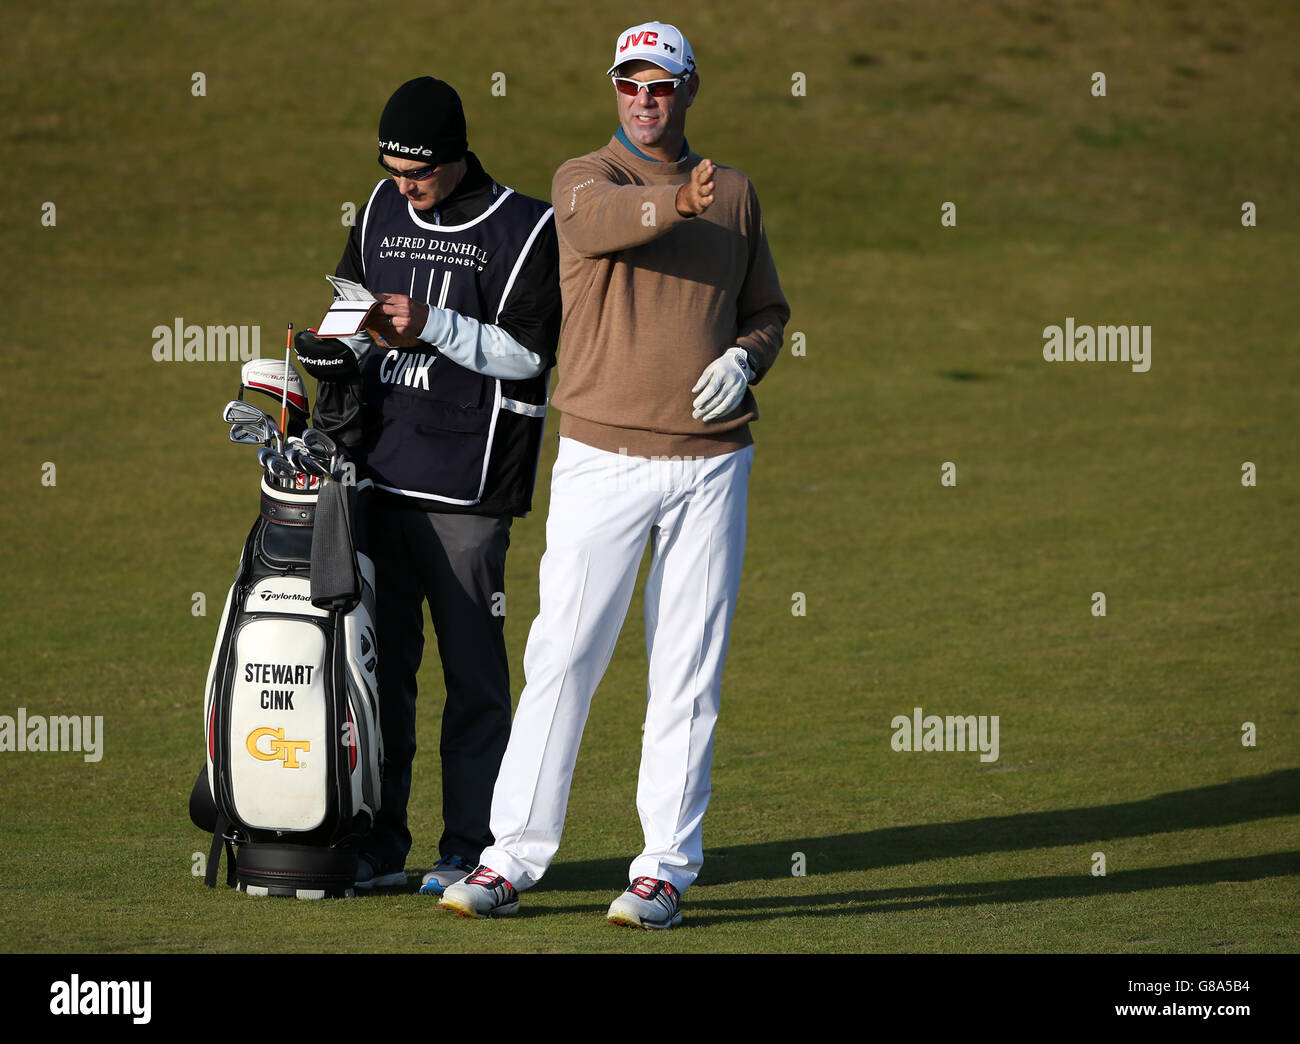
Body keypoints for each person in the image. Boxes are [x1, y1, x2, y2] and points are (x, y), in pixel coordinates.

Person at [439, 22, 789, 928]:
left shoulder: (738, 196)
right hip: (602, 457)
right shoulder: (584, 180)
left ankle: (663, 871)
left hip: (711, 466)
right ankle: (511, 859)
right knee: (565, 656)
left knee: (688, 671)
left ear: (689, 89)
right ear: (616, 92)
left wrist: (748, 359)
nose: (644, 99)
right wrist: (677, 204)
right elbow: (596, 229)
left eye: (661, 85)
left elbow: (767, 310)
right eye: (631, 84)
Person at [293, 76, 560, 894]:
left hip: (468, 490)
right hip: (377, 473)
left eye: (418, 172)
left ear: (455, 158)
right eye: (393, 168)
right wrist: (335, 348)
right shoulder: (379, 209)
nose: (404, 186)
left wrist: (432, 325)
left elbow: (529, 356)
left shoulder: (525, 228)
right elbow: (350, 304)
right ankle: (382, 844)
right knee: (382, 675)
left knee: (475, 677)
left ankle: (470, 850)